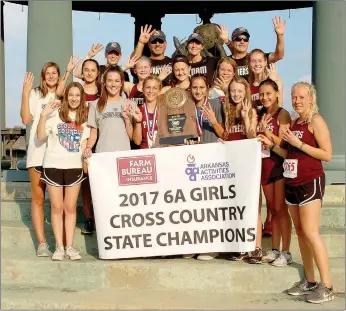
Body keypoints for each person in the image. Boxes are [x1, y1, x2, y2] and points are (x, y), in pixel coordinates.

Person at [258, 82, 334, 303]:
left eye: (302, 97)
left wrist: (299, 143)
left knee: (311, 232)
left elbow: (327, 155)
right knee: (300, 232)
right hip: (292, 182)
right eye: (294, 97)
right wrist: (271, 143)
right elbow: (287, 152)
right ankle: (309, 281)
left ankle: (326, 285)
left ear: (311, 98)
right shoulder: (294, 122)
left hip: (310, 181)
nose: (297, 101)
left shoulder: (315, 121)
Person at [37, 82, 90, 261]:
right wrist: (44, 115)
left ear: (81, 98)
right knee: (57, 207)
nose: (74, 98)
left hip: (74, 167)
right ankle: (59, 246)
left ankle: (70, 246)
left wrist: (86, 150)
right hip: (53, 166)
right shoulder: (55, 114)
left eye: (77, 95)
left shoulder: (84, 116)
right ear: (66, 96)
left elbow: (84, 142)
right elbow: (40, 137)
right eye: (71, 95)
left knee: (70, 208)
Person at [249, 78, 292, 266]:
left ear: (276, 94)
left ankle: (286, 251)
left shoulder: (283, 114)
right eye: (262, 94)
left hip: (279, 165)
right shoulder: (259, 113)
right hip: (264, 165)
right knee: (272, 209)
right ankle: (275, 250)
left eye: (269, 94)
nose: (265, 97)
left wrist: (268, 133)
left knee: (281, 210)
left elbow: (285, 143)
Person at [20, 62, 61, 257]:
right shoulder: (36, 93)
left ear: (59, 76)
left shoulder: (63, 93)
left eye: (54, 73)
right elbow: (26, 119)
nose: (51, 76)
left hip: (57, 153)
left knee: (56, 202)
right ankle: (42, 243)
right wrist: (25, 90)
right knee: (38, 199)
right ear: (43, 76)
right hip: (37, 152)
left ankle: (61, 243)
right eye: (48, 73)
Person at [83, 66, 137, 156]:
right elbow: (93, 134)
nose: (113, 84)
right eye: (109, 80)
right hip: (103, 155)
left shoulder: (130, 104)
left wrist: (127, 120)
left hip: (123, 156)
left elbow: (132, 137)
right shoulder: (94, 104)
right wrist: (88, 148)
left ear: (121, 83)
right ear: (104, 83)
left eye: (117, 81)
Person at [223, 16, 286, 81]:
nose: (242, 42)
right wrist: (226, 41)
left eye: (245, 39)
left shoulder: (255, 59)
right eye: (238, 39)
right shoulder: (227, 62)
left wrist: (280, 35)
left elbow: (279, 55)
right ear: (232, 42)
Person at [132, 75, 161, 149]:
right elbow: (137, 141)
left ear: (159, 90)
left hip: (162, 153)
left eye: (155, 88)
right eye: (148, 87)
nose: (151, 91)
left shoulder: (164, 110)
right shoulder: (138, 111)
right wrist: (138, 122)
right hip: (145, 155)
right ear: (143, 89)